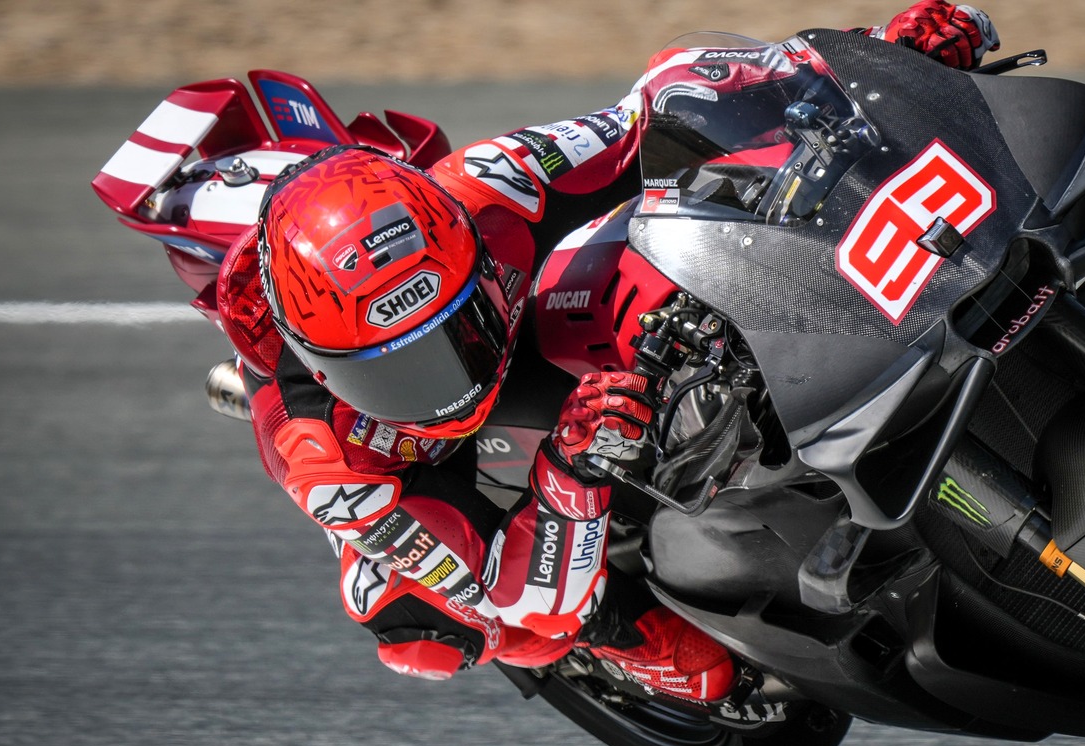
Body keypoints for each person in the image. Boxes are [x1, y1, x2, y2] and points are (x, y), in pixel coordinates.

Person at [220, 1, 999, 703]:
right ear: (322, 362)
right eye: (392, 370)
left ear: (476, 258)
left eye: (451, 337)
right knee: (431, 625)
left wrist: (880, 57)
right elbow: (518, 597)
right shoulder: (325, 459)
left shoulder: (491, 185)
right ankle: (616, 643)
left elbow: (655, 105)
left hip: (543, 330)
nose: (440, 385)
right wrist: (573, 472)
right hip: (441, 485)